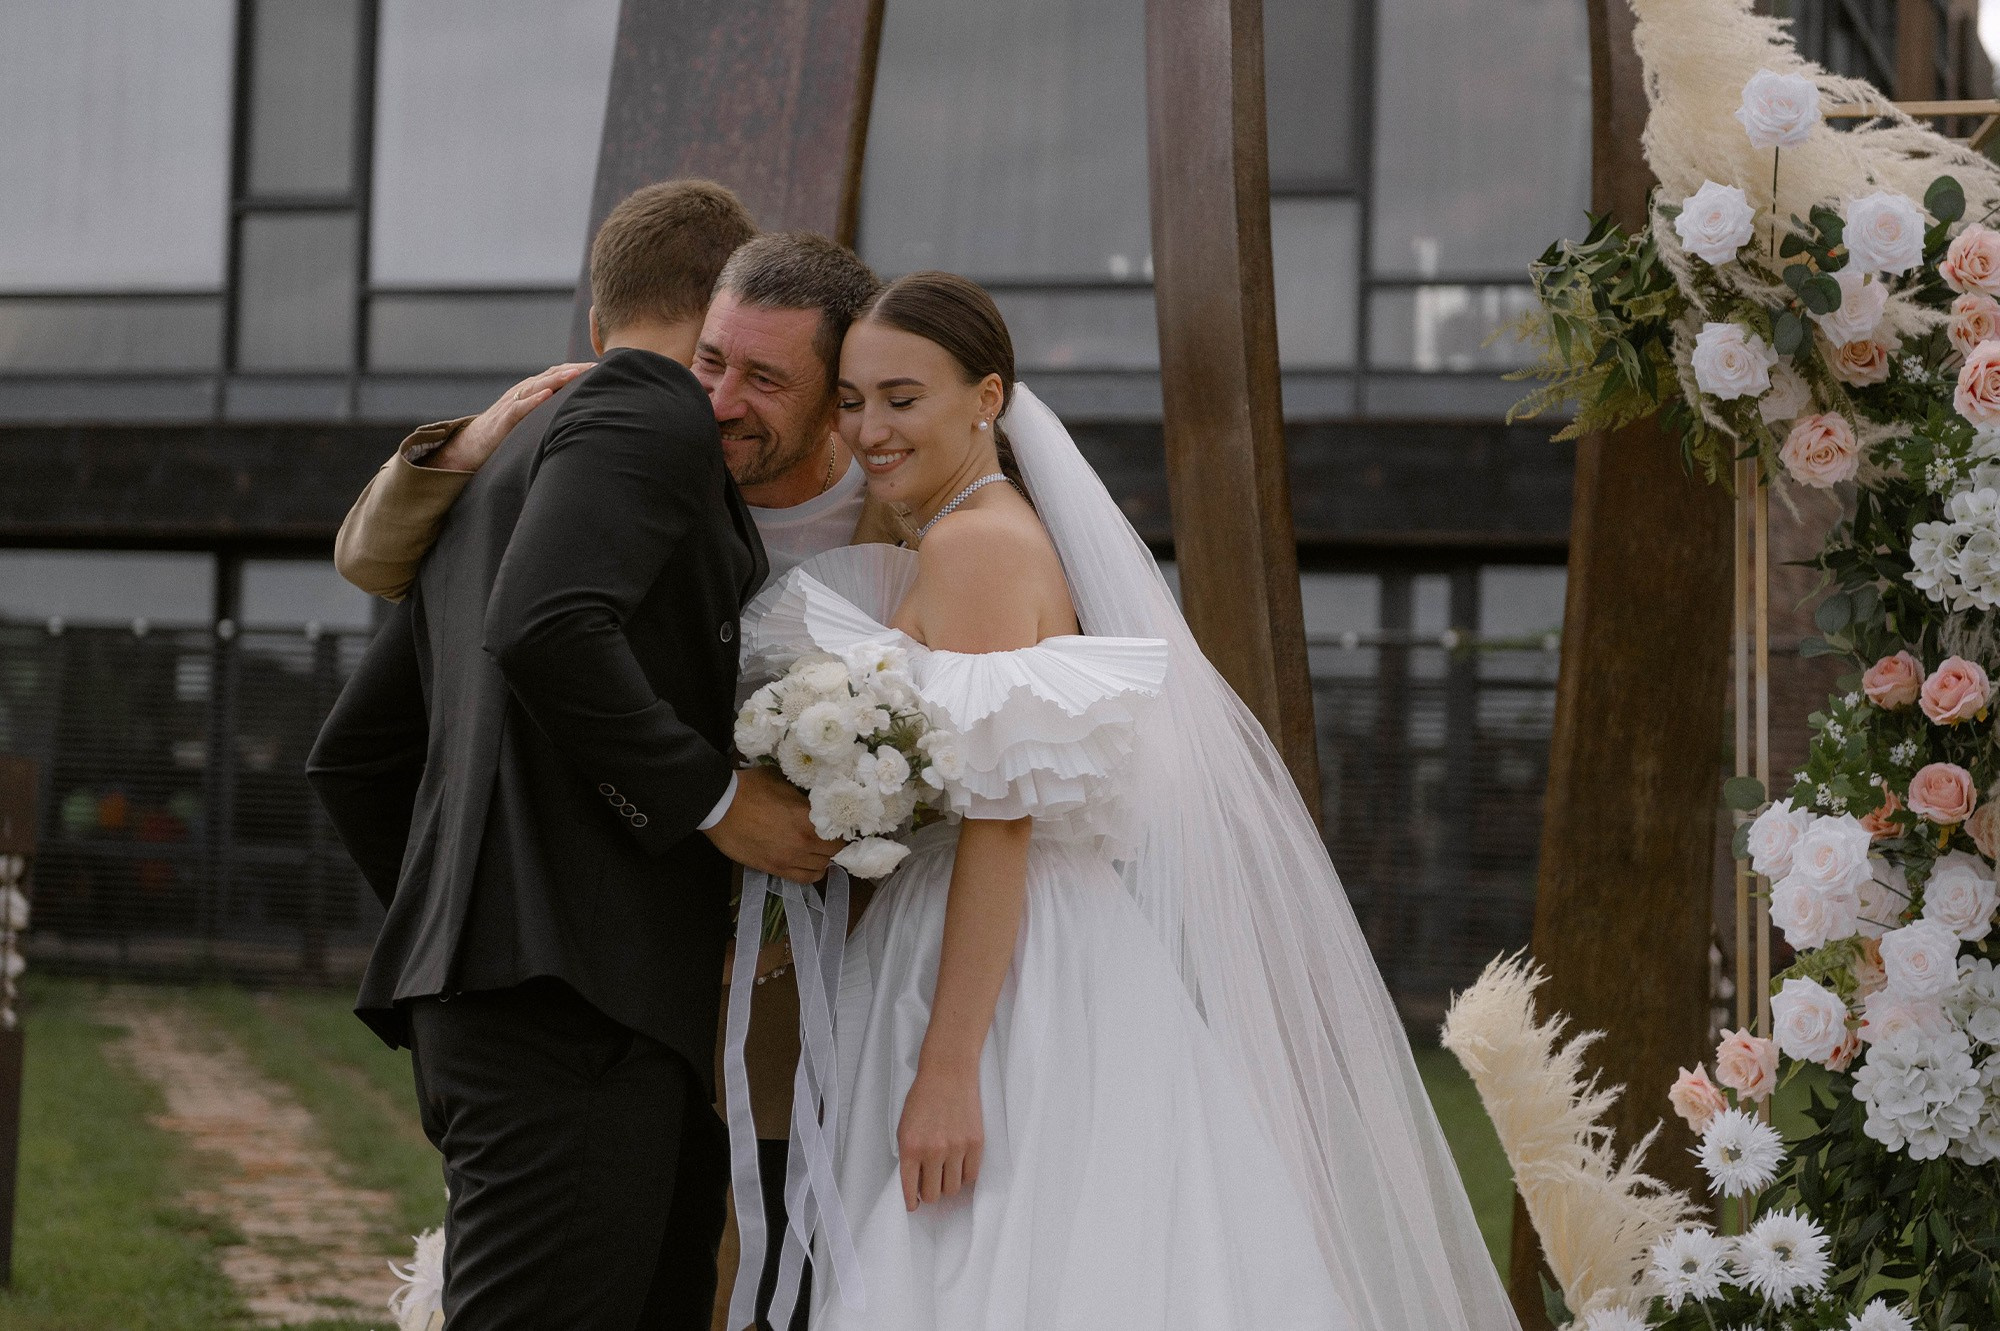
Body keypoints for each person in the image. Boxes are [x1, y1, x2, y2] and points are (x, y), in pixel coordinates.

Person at [734, 272, 1524, 1330]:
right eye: (851, 398)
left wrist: (948, 1071)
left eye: (901, 397)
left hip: (996, 977)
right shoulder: (972, 527)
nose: (868, 427)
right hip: (1020, 944)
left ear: (985, 398)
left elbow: (1001, 818)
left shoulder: (974, 545)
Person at [325, 227, 894, 1331]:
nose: (719, 398)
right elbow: (535, 628)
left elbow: (357, 752)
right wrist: (697, 820)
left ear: (839, 400)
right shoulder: (630, 415)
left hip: (641, 1008)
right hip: (575, 1009)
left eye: (765, 378)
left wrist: (475, 928)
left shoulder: (894, 497)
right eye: (711, 361)